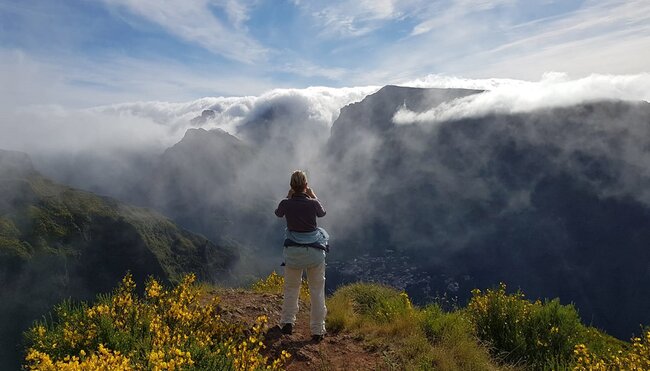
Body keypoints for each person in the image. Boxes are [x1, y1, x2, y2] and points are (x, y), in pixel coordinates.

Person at [274, 170, 329, 342]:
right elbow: (322, 213)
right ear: (305, 186)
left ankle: (288, 322)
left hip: (294, 253)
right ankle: (318, 330)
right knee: (317, 291)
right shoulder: (313, 203)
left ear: (291, 186)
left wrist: (289, 197)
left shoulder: (286, 203)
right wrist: (313, 195)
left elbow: (278, 213)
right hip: (314, 253)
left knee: (291, 288)